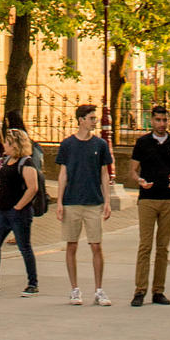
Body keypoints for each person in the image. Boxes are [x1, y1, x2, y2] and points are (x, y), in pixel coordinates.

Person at [55, 103, 114, 306]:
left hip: (93, 201)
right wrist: (60, 201)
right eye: (91, 118)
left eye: (95, 118)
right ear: (81, 120)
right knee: (71, 244)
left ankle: (98, 289)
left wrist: (107, 201)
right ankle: (75, 289)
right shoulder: (68, 144)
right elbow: (63, 174)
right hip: (72, 200)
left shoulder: (100, 145)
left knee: (96, 245)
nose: (94, 121)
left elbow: (104, 174)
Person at [130, 103, 170, 306]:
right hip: (148, 198)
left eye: (164, 120)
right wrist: (139, 180)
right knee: (145, 245)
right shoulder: (142, 142)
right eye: (158, 120)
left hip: (168, 199)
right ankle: (140, 289)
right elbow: (133, 170)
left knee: (163, 247)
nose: (161, 124)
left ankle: (158, 290)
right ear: (151, 120)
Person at [0, 127, 39, 294]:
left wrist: (19, 206)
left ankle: (32, 282)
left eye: (7, 142)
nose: (4, 144)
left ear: (15, 144)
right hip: (2, 210)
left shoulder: (26, 163)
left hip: (18, 212)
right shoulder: (6, 160)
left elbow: (32, 188)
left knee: (24, 246)